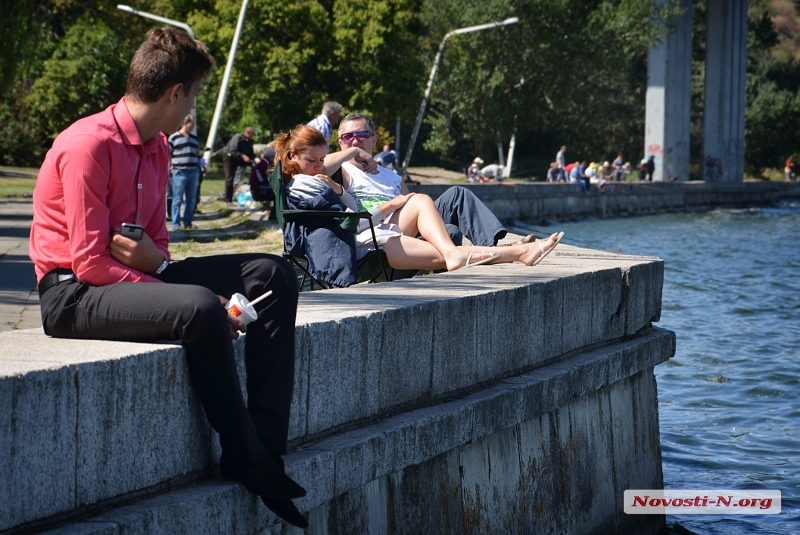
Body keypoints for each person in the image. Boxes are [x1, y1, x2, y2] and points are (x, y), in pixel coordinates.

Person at [28, 28, 308, 529]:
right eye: (194, 96)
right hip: (72, 293)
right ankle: (244, 455)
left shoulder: (157, 148)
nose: (191, 111)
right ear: (175, 92)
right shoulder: (87, 144)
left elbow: (158, 250)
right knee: (200, 306)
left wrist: (160, 267)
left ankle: (266, 448)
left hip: (130, 276)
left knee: (275, 274)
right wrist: (193, 293)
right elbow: (90, 263)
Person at [279, 125, 562, 273]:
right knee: (430, 217)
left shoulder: (316, 180)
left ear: (374, 139)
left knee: (450, 245)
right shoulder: (307, 184)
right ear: (292, 157)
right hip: (371, 240)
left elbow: (352, 216)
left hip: (379, 236)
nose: (319, 165)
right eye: (313, 160)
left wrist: (337, 190)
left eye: (320, 159)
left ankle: (520, 253)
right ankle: (518, 252)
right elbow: (354, 223)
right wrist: (384, 202)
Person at [334, 114, 526, 248]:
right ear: (340, 142)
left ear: (374, 140)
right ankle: (495, 251)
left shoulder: (392, 176)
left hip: (407, 227)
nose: (355, 140)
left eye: (361, 135)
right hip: (377, 229)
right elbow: (314, 168)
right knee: (418, 201)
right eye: (348, 137)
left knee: (457, 198)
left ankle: (491, 247)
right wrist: (353, 152)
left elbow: (410, 205)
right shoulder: (342, 170)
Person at [168, 114, 201, 230]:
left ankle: (188, 222)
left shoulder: (194, 139)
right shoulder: (174, 138)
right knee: (177, 199)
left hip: (193, 171)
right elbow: (167, 153)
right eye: (192, 122)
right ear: (185, 123)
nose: (194, 125)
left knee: (191, 199)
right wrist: (170, 166)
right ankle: (176, 224)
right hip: (180, 172)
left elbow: (197, 153)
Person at [222, 127, 257, 204]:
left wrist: (255, 158)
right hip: (230, 158)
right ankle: (228, 200)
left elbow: (251, 153)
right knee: (229, 178)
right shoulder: (238, 137)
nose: (253, 136)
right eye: (252, 134)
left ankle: (255, 188)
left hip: (239, 159)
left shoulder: (249, 141)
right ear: (248, 132)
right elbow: (232, 150)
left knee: (255, 166)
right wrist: (242, 156)